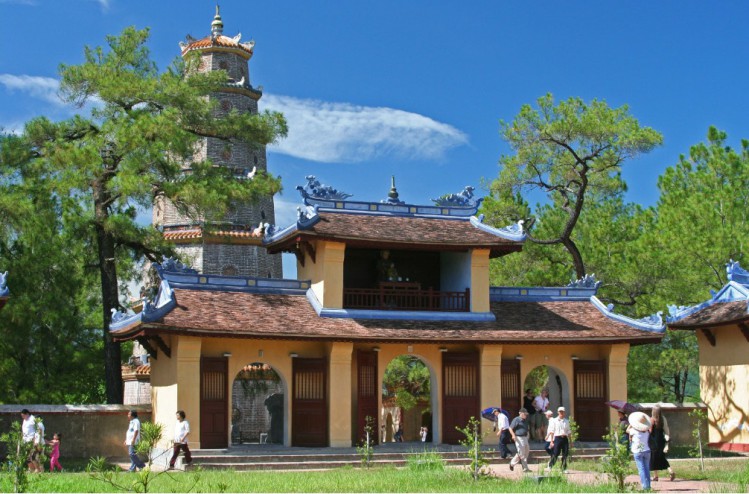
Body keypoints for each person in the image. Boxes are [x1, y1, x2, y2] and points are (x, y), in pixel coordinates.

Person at [627, 411, 652, 491]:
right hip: (647, 450)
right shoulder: (647, 432)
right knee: (647, 469)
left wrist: (631, 424)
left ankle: (645, 487)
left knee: (641, 469)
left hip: (638, 451)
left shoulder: (633, 431)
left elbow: (627, 430)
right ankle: (648, 486)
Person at [649, 405, 675, 481]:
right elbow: (666, 429)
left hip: (653, 440)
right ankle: (670, 471)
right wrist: (667, 441)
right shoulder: (663, 419)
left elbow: (649, 431)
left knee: (653, 458)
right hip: (661, 440)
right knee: (661, 457)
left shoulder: (651, 419)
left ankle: (656, 476)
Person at [548, 406, 571, 473]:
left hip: (565, 438)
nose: (561, 413)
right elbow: (552, 431)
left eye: (562, 412)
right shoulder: (554, 420)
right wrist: (551, 441)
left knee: (565, 453)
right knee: (556, 453)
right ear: (558, 412)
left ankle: (564, 467)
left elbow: (569, 431)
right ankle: (550, 465)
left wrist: (571, 441)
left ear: (564, 412)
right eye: (560, 411)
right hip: (557, 438)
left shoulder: (567, 421)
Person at [508, 408, 531, 473]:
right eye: (525, 414)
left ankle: (512, 463)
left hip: (525, 437)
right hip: (519, 438)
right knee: (521, 453)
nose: (526, 415)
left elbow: (527, 429)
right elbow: (510, 428)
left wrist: (528, 435)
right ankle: (525, 468)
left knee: (526, 452)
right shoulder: (516, 419)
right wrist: (513, 435)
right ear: (520, 413)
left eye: (526, 414)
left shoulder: (525, 420)